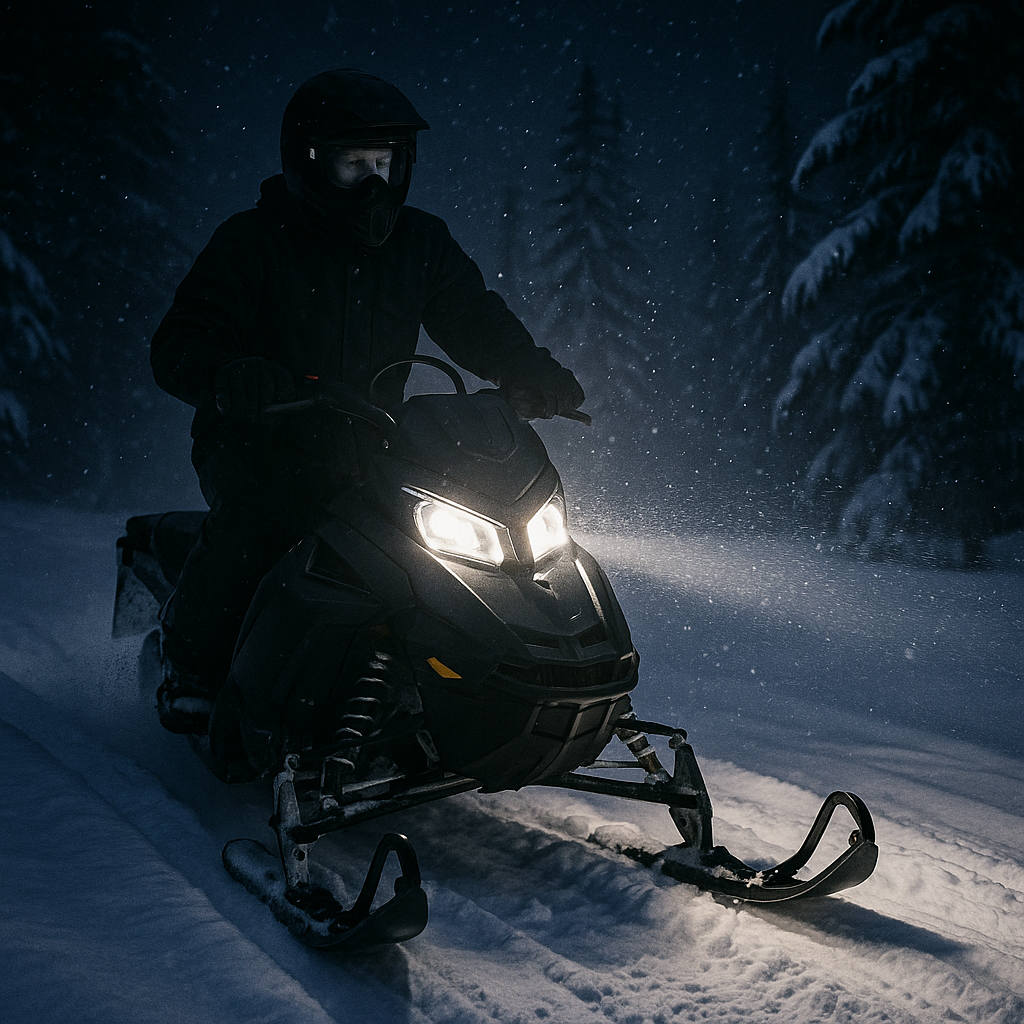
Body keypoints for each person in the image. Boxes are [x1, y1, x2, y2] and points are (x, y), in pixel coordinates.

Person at [150, 68, 586, 734]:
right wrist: (232, 374)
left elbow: (474, 317)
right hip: (260, 438)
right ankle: (194, 668)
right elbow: (181, 340)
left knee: (454, 543)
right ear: (307, 161)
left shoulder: (419, 244)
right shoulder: (254, 241)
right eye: (354, 164)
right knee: (261, 521)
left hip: (376, 439)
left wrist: (527, 368)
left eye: (385, 162)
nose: (374, 184)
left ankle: (452, 686)